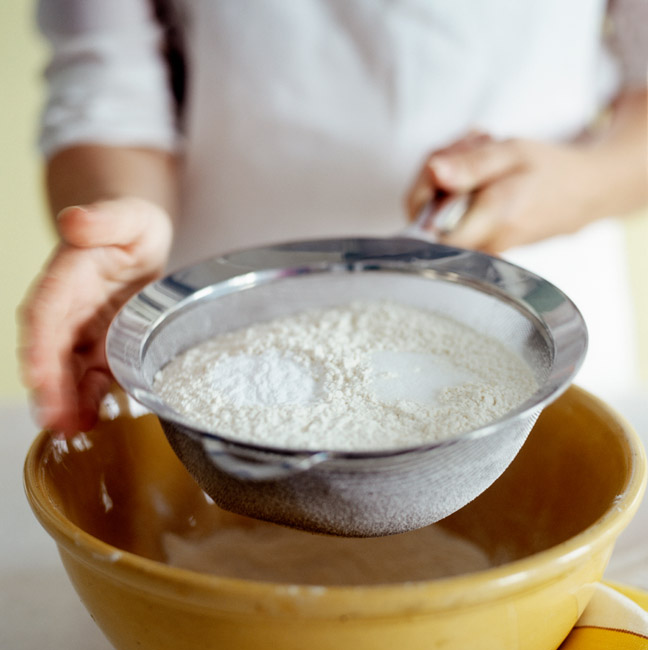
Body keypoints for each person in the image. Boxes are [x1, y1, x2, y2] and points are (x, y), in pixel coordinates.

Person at [20, 0, 648, 435]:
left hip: (525, 300)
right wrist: (122, 218)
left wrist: (583, 184)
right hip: (221, 314)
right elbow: (106, 81)